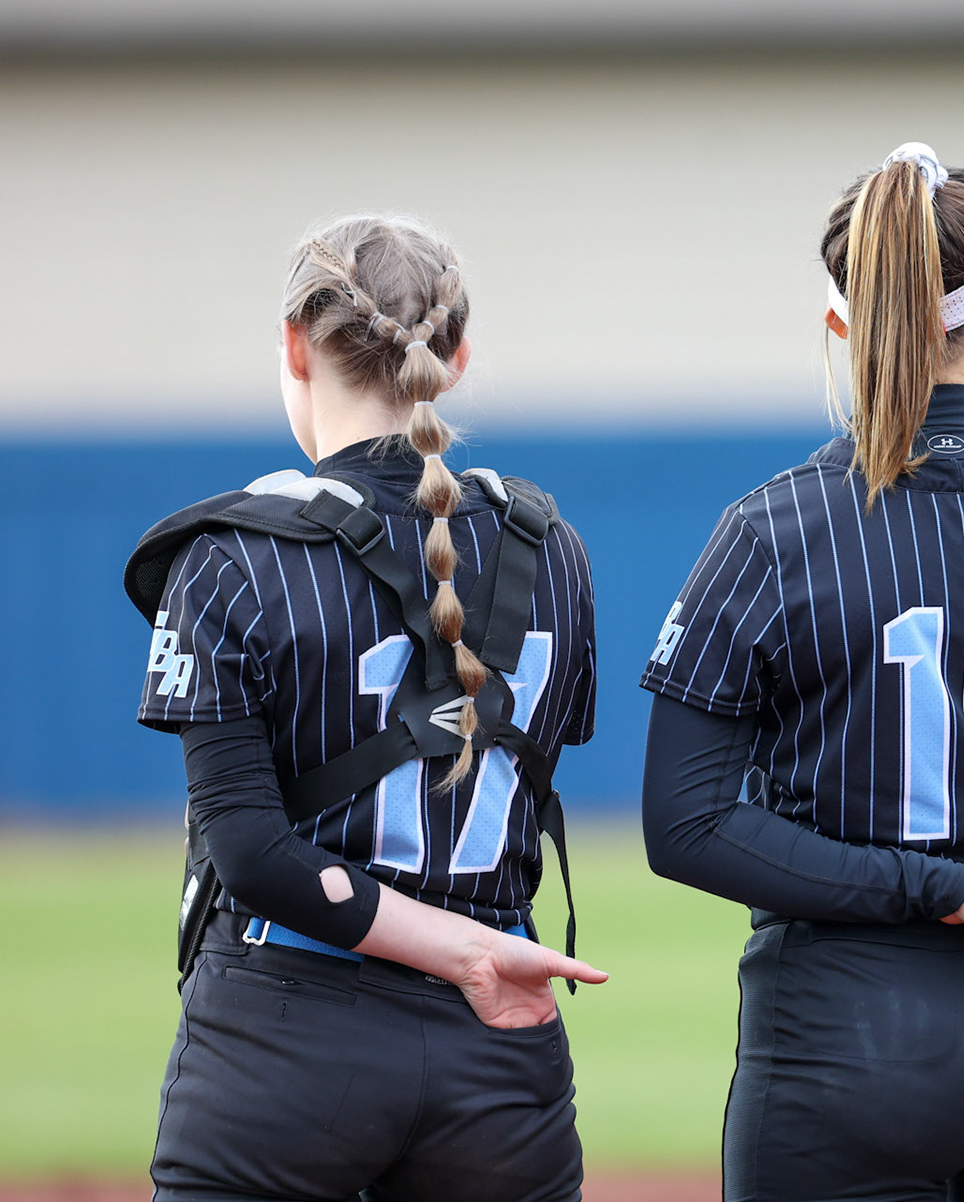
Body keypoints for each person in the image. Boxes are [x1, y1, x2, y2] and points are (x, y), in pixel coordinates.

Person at [640, 142, 964, 1201]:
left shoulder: (772, 526)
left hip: (852, 1028)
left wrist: (939, 886)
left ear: (842, 317)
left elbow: (682, 824)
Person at [126, 215, 606, 1202]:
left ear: (297, 345)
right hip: (500, 1053)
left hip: (285, 1045)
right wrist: (470, 943)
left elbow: (254, 855)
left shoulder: (229, 555)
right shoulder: (549, 542)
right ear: (456, 356)